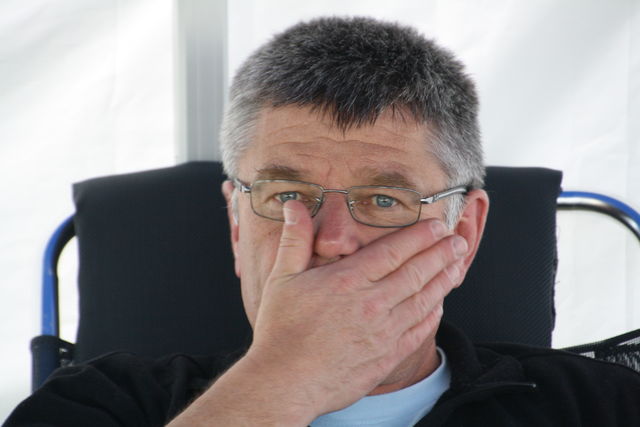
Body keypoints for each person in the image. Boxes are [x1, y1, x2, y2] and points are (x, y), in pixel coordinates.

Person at [5, 16, 640, 427]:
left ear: (464, 233)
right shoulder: (100, 404)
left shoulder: (600, 407)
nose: (332, 240)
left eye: (384, 200)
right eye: (286, 194)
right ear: (236, 225)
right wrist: (283, 379)